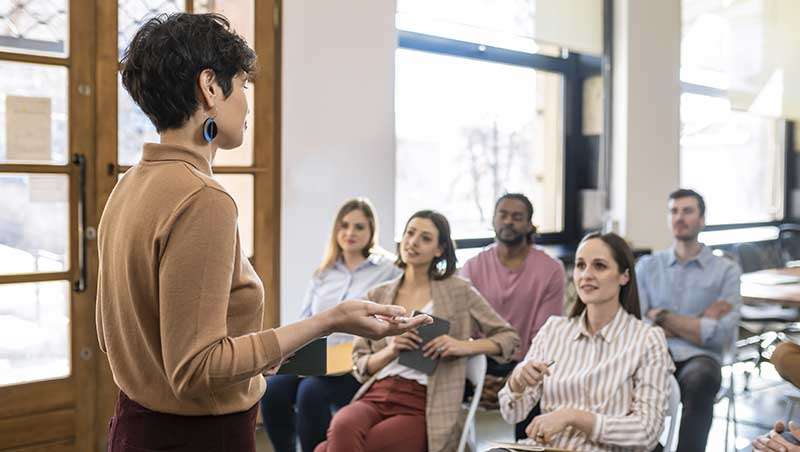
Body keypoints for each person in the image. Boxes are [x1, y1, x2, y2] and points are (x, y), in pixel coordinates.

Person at [96, 13, 429, 452]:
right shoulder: (203, 199)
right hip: (198, 438)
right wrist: (330, 320)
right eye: (244, 85)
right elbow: (198, 367)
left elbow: (110, 333)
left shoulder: (128, 185)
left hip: (133, 426)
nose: (248, 104)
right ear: (211, 87)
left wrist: (266, 355)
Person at [315, 210, 520, 452]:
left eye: (425, 238)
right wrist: (391, 350)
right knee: (341, 426)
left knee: (328, 449)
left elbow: (510, 339)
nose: (413, 242)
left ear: (440, 249)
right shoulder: (378, 295)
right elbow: (360, 364)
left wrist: (461, 346)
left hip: (425, 403)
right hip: (377, 392)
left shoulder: (458, 290)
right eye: (410, 233)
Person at [495, 232, 674, 452]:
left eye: (599, 266)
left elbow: (647, 432)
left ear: (624, 276)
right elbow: (512, 413)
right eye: (580, 265)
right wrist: (517, 382)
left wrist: (572, 417)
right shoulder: (553, 330)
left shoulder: (647, 339)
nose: (586, 274)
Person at [260, 198, 402, 452]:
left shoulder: (388, 270)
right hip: (318, 358)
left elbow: (394, 316)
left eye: (359, 227)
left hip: (354, 364)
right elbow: (306, 319)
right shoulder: (323, 273)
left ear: (371, 231)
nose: (350, 233)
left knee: (309, 392)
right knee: (272, 389)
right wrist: (286, 353)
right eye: (344, 225)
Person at [636, 188, 741, 452]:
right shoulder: (648, 266)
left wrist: (660, 316)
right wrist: (697, 322)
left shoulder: (726, 270)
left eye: (687, 211)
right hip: (653, 354)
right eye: (674, 211)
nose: (679, 217)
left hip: (701, 357)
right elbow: (637, 325)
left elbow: (721, 333)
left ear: (702, 220)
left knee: (701, 379)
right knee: (617, 378)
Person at [459, 193, 564, 436]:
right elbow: (466, 328)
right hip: (480, 358)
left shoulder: (551, 269)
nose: (508, 221)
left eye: (517, 217)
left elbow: (545, 334)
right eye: (503, 215)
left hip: (528, 362)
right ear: (493, 219)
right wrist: (480, 371)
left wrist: (516, 376)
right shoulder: (472, 266)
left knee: (536, 390)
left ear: (529, 225)